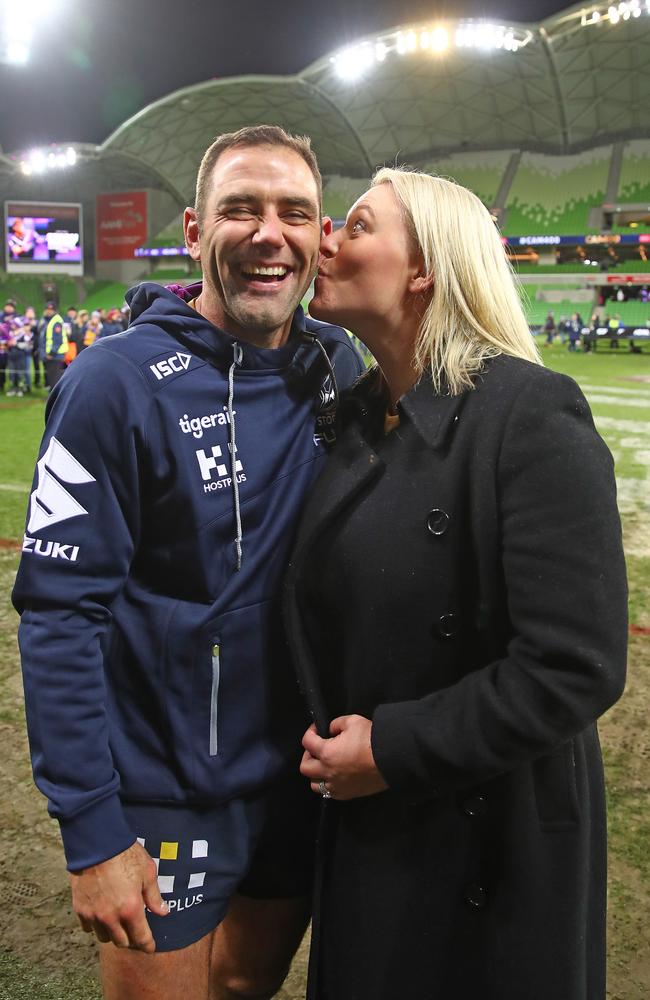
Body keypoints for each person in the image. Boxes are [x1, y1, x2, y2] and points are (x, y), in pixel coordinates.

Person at [12, 125, 364, 1000]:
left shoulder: (340, 367)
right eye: (238, 210)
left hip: (300, 776)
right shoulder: (113, 384)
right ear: (195, 230)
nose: (266, 233)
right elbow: (59, 614)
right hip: (168, 791)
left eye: (293, 212)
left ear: (320, 237)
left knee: (246, 987)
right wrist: (93, 833)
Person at [283, 169, 628, 1000]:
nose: (327, 236)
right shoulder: (362, 414)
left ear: (424, 270)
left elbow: (573, 665)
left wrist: (393, 748)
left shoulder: (530, 412)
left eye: (357, 226)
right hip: (373, 821)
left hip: (487, 845)